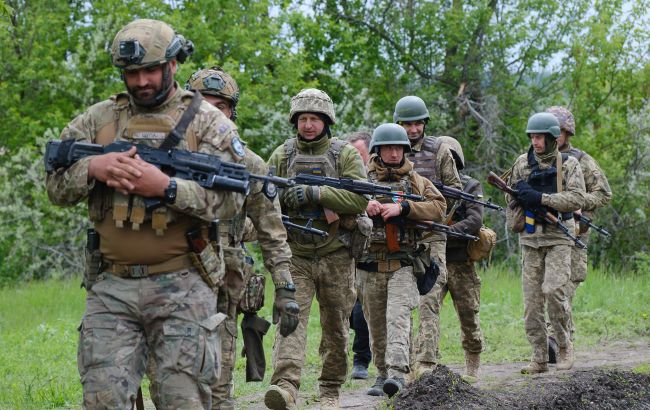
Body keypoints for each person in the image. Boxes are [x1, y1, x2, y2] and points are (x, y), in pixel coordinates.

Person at [45, 19, 246, 409]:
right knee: (102, 401)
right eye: (132, 73)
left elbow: (232, 201)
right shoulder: (98, 120)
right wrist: (93, 168)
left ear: (172, 64)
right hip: (111, 287)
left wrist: (167, 188)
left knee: (183, 400)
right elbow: (55, 188)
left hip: (183, 286)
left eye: (150, 70)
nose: (141, 82)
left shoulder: (207, 122)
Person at [178, 66, 298, 410]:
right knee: (175, 382)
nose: (212, 113)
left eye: (221, 106)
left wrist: (285, 288)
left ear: (232, 112)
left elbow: (272, 232)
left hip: (222, 283)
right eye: (203, 104)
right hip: (169, 279)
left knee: (218, 383)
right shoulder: (167, 154)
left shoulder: (249, 164)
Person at [264, 88, 368, 410]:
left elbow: (360, 198)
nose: (308, 125)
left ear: (326, 121)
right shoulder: (282, 155)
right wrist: (283, 198)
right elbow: (263, 197)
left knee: (336, 326)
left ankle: (330, 390)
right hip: (296, 254)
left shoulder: (344, 154)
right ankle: (285, 387)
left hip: (336, 253)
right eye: (303, 119)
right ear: (295, 121)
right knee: (290, 320)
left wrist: (316, 193)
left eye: (314, 119)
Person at [357, 124, 446, 397]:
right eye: (388, 148)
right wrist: (363, 205)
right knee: (375, 324)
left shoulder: (416, 180)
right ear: (378, 150)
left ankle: (397, 374)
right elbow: (342, 202)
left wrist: (404, 207)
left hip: (403, 264)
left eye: (398, 148)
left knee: (398, 318)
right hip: (369, 264)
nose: (394, 153)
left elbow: (439, 207)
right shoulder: (361, 179)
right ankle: (382, 374)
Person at [505, 112, 585, 374]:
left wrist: (541, 199)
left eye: (540, 137)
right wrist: (520, 197)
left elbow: (577, 199)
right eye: (532, 137)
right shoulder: (522, 163)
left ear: (552, 138)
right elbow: (510, 195)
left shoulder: (569, 164)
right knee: (531, 303)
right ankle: (539, 357)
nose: (535, 142)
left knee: (554, 292)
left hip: (559, 237)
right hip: (531, 238)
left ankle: (564, 345)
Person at [393, 95, 462, 377]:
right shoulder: (390, 147)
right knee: (399, 303)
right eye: (407, 124)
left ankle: (426, 364)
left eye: (417, 124)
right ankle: (401, 365)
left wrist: (430, 212)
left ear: (425, 124)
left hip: (431, 235)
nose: (412, 130)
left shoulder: (439, 151)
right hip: (398, 236)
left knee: (429, 299)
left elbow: (455, 191)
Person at [546, 106, 612, 345]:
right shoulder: (536, 158)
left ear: (567, 133)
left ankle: (556, 339)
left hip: (574, 232)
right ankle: (560, 339)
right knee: (547, 288)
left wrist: (577, 203)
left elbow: (603, 193)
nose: (554, 136)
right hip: (545, 231)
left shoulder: (582, 161)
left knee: (564, 287)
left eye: (559, 132)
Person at [433, 136, 485, 382]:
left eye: (451, 159)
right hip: (432, 259)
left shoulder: (470, 186)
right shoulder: (426, 184)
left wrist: (445, 231)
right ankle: (425, 363)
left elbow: (475, 220)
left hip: (461, 261)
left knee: (468, 314)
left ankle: (472, 363)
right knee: (428, 314)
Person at [345, 131, 373, 380]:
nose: (355, 158)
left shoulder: (379, 176)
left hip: (376, 251)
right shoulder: (344, 176)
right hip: (349, 251)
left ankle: (361, 360)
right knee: (350, 309)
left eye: (359, 153)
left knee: (363, 310)